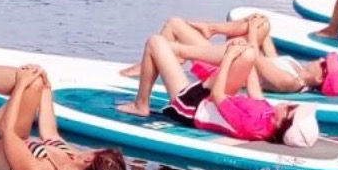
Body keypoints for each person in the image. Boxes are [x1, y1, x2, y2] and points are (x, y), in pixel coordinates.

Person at [118, 36, 322, 148]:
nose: (289, 104)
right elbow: (255, 93)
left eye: (292, 109)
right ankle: (181, 51)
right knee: (247, 53)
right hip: (208, 98)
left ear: (282, 123)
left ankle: (141, 104)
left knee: (155, 42)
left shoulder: (253, 126)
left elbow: (218, 95)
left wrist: (229, 57)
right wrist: (248, 56)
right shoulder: (269, 116)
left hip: (192, 106)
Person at [122, 12, 338, 96]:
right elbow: (267, 52)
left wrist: (252, 30)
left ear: (321, 78)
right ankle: (210, 29)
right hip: (231, 58)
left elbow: (255, 58)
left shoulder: (290, 81)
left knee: (173, 25)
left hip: (224, 69)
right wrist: (260, 26)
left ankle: (150, 67)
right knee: (264, 23)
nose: (321, 59)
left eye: (324, 64)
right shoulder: (296, 68)